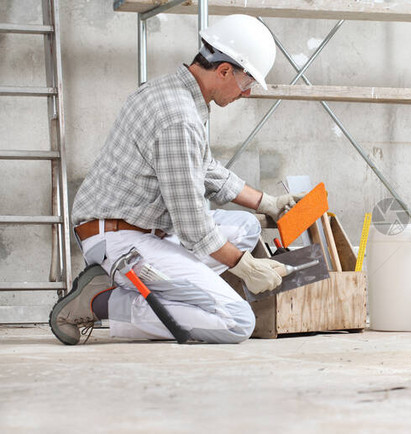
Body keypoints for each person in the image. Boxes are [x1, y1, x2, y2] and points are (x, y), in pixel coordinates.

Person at [49, 15, 294, 345]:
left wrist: (268, 204)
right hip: (122, 243)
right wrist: (245, 267)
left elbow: (204, 168)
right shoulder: (178, 118)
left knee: (246, 228)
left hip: (142, 228)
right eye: (247, 83)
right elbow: (193, 226)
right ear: (224, 71)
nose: (246, 94)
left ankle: (169, 294)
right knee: (236, 321)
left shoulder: (172, 92)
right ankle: (101, 300)